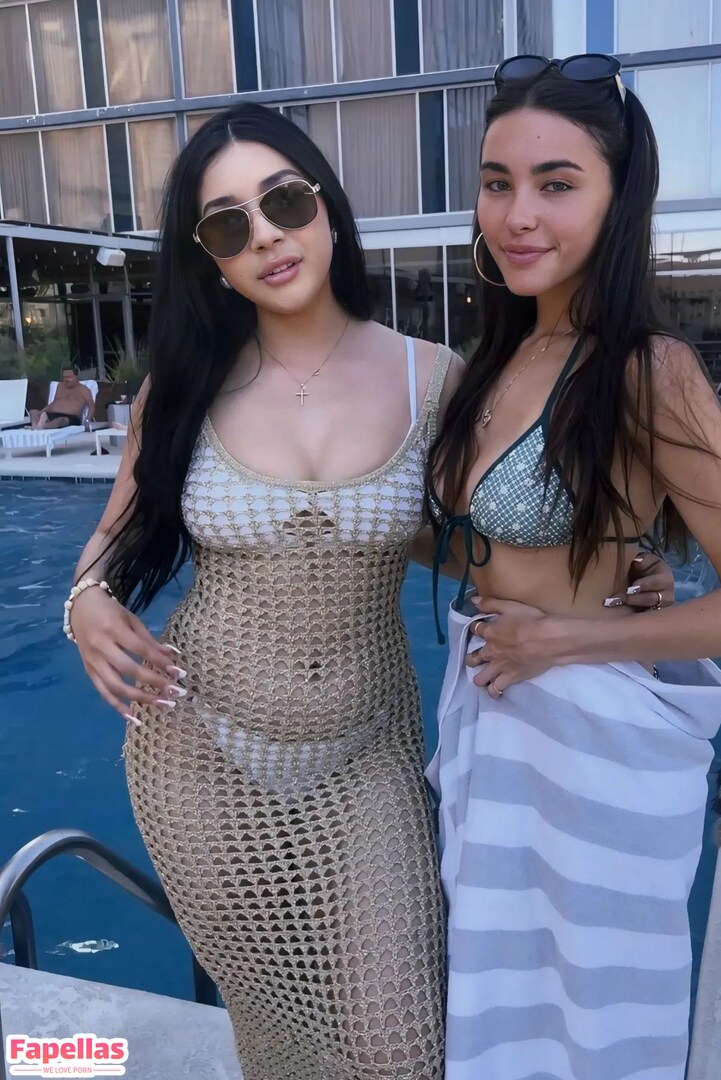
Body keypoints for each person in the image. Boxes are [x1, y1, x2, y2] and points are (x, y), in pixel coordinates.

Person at [63, 104, 672, 1079]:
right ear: (210, 260)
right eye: (227, 225)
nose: (265, 236)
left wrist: (605, 570)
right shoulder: (181, 387)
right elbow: (113, 540)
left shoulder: (434, 379)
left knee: (402, 1050)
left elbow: (469, 543)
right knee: (279, 1040)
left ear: (327, 211)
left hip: (364, 760)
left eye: (283, 203)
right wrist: (88, 602)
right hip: (200, 757)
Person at [424, 56, 721, 1080]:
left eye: (557, 183)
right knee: (504, 1019)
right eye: (498, 182)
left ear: (616, 196)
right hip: (501, 728)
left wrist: (566, 637)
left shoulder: (648, 369)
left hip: (592, 747)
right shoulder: (503, 356)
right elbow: (475, 540)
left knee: (596, 1026)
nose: (518, 214)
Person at [29, 367, 94, 428]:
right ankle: (36, 426)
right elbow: (55, 403)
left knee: (61, 420)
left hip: (71, 418)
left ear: (76, 376)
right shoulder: (60, 386)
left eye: (69, 377)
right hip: (53, 414)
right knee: (33, 412)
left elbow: (91, 406)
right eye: (64, 377)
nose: (66, 380)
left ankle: (41, 426)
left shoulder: (84, 390)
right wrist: (41, 411)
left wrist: (87, 420)